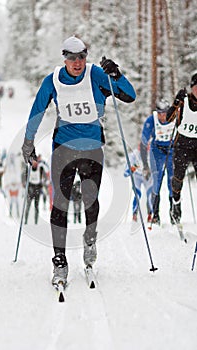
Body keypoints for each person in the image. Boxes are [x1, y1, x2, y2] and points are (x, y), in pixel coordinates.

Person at [21, 35, 136, 287]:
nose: (77, 62)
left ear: (86, 56)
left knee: (90, 201)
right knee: (59, 205)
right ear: (64, 58)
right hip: (63, 149)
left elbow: (129, 96)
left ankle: (90, 240)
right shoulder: (52, 80)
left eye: (82, 57)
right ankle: (59, 261)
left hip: (92, 149)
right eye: (72, 58)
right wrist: (28, 142)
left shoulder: (95, 74)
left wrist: (115, 75)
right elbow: (37, 110)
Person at [166, 73, 197, 223]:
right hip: (182, 146)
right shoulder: (184, 101)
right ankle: (176, 203)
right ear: (192, 88)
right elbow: (168, 118)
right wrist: (176, 102)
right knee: (178, 178)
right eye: (196, 87)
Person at [140, 99, 175, 225]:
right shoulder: (151, 120)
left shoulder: (175, 117)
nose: (163, 116)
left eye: (165, 113)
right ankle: (155, 215)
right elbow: (143, 142)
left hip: (172, 150)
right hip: (157, 151)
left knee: (173, 182)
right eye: (160, 113)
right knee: (157, 182)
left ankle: (175, 214)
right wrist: (145, 164)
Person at [124, 147, 153, 223]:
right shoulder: (135, 154)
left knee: (150, 195)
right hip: (137, 176)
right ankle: (134, 214)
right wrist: (131, 169)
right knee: (137, 194)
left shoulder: (152, 152)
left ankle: (150, 214)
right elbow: (126, 171)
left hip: (148, 176)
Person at [23, 158, 47, 225]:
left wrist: (44, 182)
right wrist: (25, 184)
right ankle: (25, 221)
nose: (35, 164)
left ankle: (36, 222)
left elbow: (45, 175)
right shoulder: (29, 168)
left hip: (37, 189)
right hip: (30, 188)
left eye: (36, 163)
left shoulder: (40, 169)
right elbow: (24, 177)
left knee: (36, 206)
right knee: (28, 206)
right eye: (33, 163)